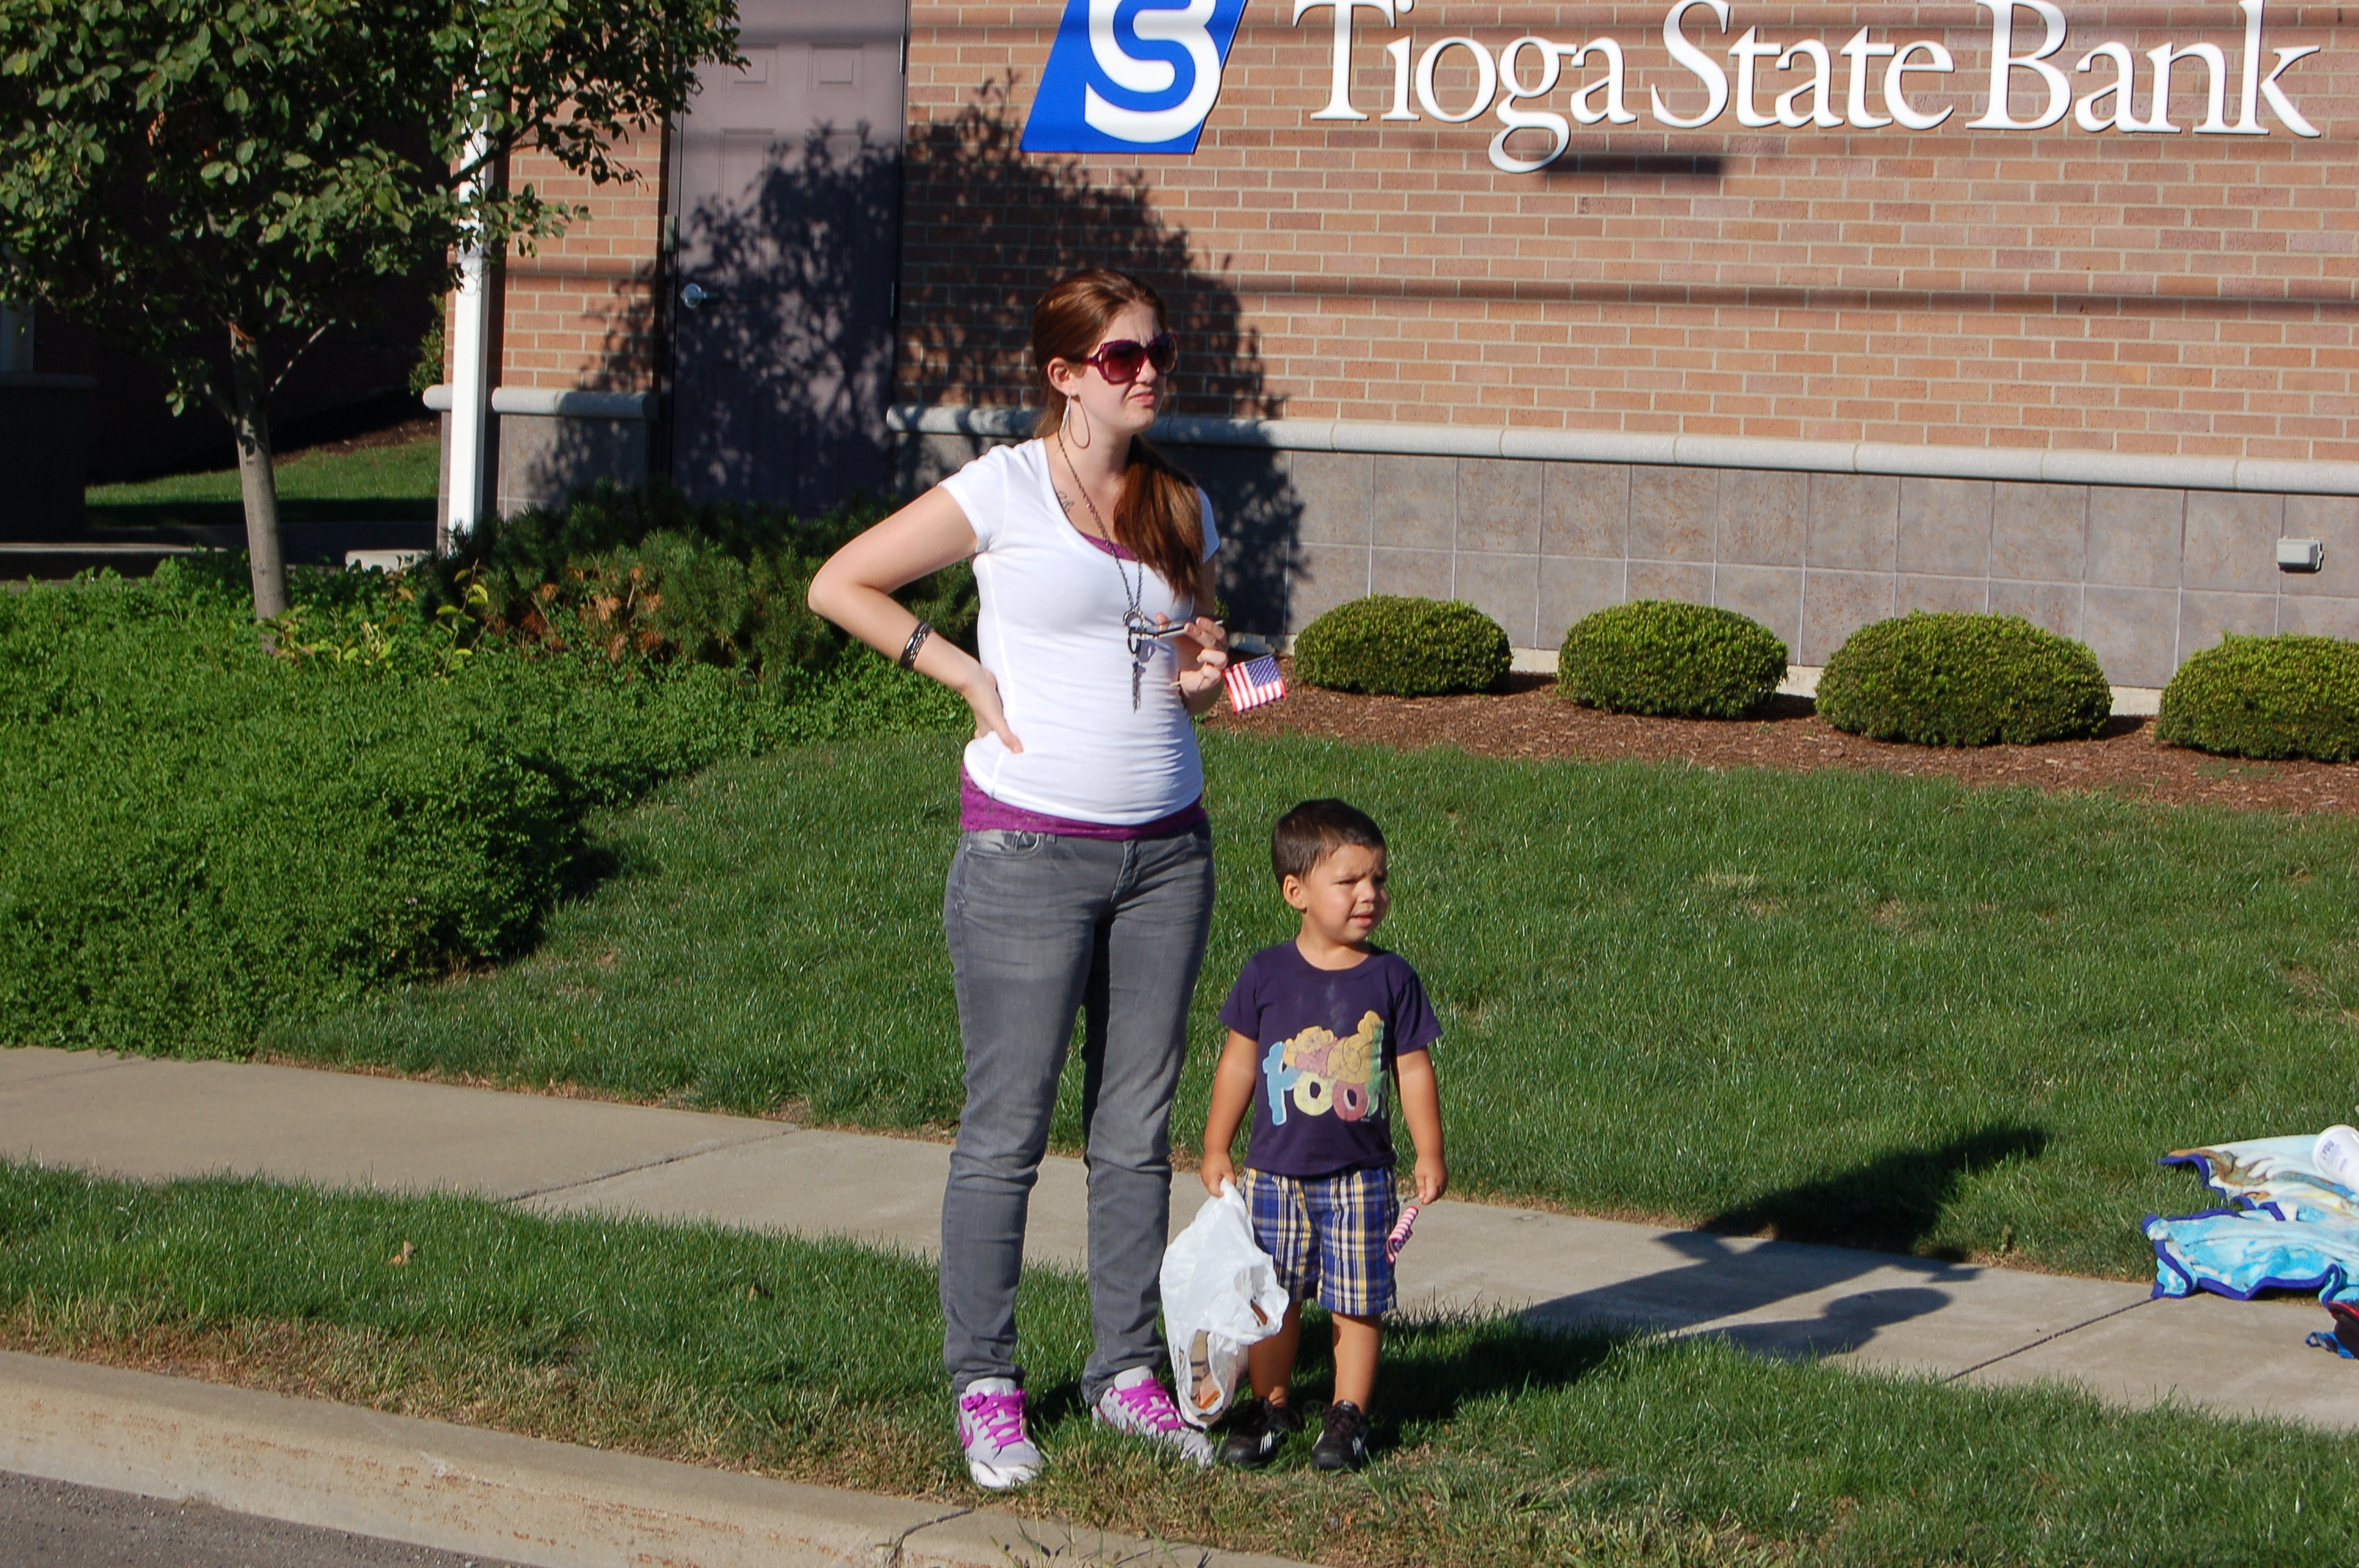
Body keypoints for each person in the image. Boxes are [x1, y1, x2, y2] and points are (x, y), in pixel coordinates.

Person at [806, 269, 1230, 1490]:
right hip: (1028, 849)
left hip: (1168, 851)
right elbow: (840, 584)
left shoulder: (1181, 503)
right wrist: (961, 673)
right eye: (1120, 358)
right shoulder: (1001, 488)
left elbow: (1179, 657)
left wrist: (1203, 672)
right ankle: (986, 1386)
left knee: (1135, 1131)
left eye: (1157, 354)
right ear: (1064, 376)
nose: (1146, 374)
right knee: (1006, 1131)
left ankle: (1125, 1375)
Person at [1198, 798, 1448, 1472]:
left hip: (1360, 1179)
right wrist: (1217, 1144)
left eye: (1379, 879)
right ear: (1296, 892)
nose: (1370, 894)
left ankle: (1348, 1415)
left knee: (1357, 1300)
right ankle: (1270, 1405)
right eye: (1350, 881)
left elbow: (1413, 1069)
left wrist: (1429, 1151)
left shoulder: (1391, 978)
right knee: (1272, 1300)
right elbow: (1239, 1063)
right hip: (1273, 1176)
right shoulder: (1266, 973)